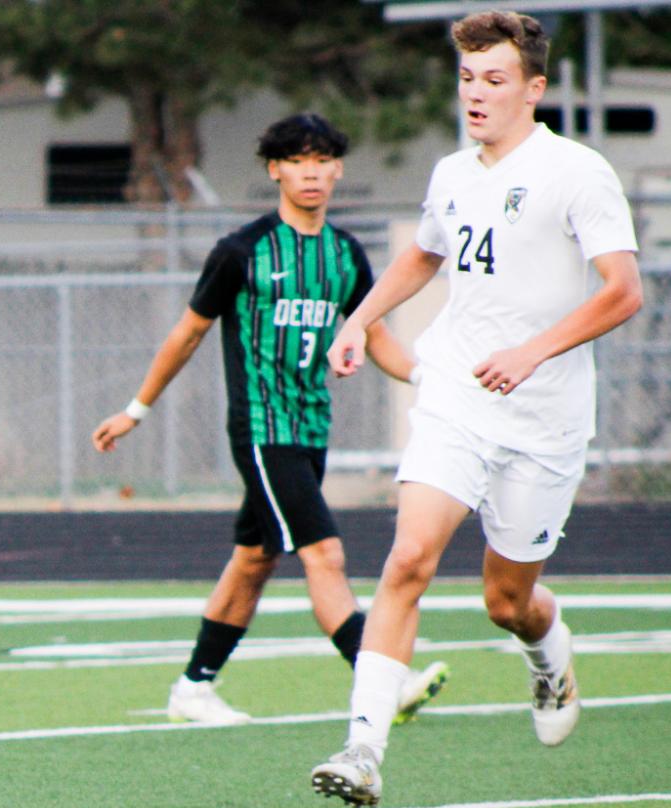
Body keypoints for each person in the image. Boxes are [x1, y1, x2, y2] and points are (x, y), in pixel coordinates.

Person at [312, 9, 641, 807]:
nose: (475, 94)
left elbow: (623, 292)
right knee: (407, 559)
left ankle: (548, 656)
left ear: (532, 89)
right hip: (457, 392)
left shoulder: (577, 171)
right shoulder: (452, 173)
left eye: (493, 80)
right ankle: (363, 750)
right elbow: (423, 255)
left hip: (544, 418)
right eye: (465, 78)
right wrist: (358, 319)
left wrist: (532, 352)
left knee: (506, 601)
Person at [93, 113, 446, 726]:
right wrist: (136, 409)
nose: (310, 172)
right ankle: (385, 680)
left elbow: (373, 332)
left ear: (337, 169)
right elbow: (187, 334)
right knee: (325, 555)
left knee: (254, 558)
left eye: (321, 160)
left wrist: (427, 380)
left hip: (310, 426)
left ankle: (193, 688)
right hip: (262, 426)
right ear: (274, 170)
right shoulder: (242, 251)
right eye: (296, 160)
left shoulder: (344, 254)